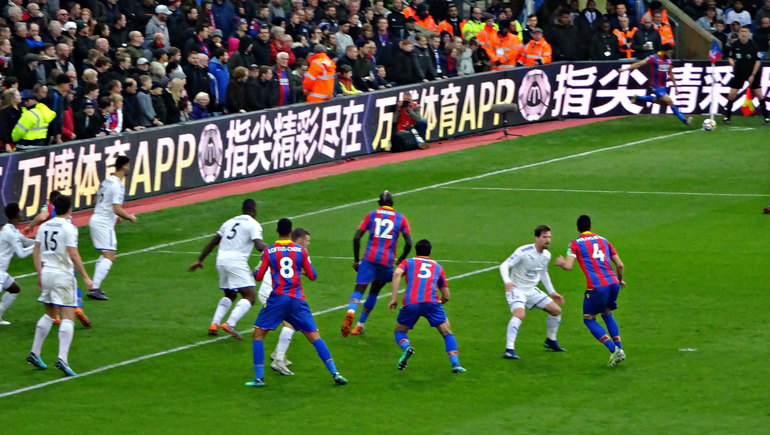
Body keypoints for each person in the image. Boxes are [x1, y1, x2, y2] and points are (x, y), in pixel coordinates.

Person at [248, 218, 347, 387]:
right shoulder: (301, 251)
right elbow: (313, 275)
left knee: (258, 335)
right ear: (291, 231)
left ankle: (259, 378)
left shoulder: (269, 251)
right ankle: (335, 373)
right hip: (297, 299)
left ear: (277, 231)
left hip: (277, 298)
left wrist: (258, 269)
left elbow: (258, 277)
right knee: (314, 336)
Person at [27, 194, 94, 377]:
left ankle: (35, 352)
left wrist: (40, 274)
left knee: (49, 314)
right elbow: (73, 255)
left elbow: (36, 250)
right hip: (63, 274)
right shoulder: (70, 228)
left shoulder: (44, 226)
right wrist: (86, 278)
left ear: (54, 208)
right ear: (70, 209)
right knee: (68, 316)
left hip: (47, 271)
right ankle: (62, 359)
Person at [189, 199, 266, 339]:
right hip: (236, 262)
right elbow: (259, 245)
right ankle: (230, 323)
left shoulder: (229, 222)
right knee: (250, 296)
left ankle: (214, 324)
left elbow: (213, 242)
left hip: (221, 261)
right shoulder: (253, 224)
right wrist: (274, 251)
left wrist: (199, 260)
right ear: (254, 210)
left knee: (230, 295)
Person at [555, 215, 626, 367]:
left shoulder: (574, 243)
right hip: (613, 282)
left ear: (577, 228)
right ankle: (620, 348)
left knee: (588, 319)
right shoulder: (604, 240)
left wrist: (561, 263)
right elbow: (620, 265)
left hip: (597, 286)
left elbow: (568, 266)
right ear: (591, 227)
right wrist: (619, 281)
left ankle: (613, 350)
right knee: (607, 312)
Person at [387, 239, 465, 373]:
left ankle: (406, 348)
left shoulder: (408, 262)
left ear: (416, 251)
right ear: (430, 252)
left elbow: (397, 273)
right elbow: (446, 295)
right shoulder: (438, 267)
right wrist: (437, 305)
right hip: (432, 303)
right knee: (447, 333)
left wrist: (394, 298)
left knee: (399, 331)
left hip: (411, 303)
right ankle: (456, 364)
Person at [342, 190, 412, 337]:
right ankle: (359, 326)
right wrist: (400, 260)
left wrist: (356, 260)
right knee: (375, 291)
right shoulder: (401, 218)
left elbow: (357, 238)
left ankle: (351, 311)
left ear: (379, 203)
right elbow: (409, 244)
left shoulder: (371, 215)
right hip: (386, 260)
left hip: (369, 257)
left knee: (359, 289)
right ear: (392, 203)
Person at [23, 190, 91, 328]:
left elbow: (42, 216)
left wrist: (30, 226)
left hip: (49, 255)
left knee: (51, 287)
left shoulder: (48, 208)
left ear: (51, 201)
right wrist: (87, 278)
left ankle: (56, 316)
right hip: (65, 255)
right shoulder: (68, 219)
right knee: (71, 282)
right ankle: (77, 307)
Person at [499, 225, 565, 360]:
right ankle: (509, 349)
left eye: (549, 237)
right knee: (520, 314)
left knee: (556, 311)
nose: (548, 240)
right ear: (536, 238)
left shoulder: (547, 255)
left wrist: (552, 292)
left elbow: (543, 273)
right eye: (544, 237)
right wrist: (507, 281)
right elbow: (504, 265)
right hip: (516, 289)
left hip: (531, 290)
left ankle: (551, 340)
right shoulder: (523, 251)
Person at [255, 227, 311, 376]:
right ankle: (278, 359)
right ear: (299, 239)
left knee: (289, 323)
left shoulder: (277, 250)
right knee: (290, 324)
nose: (308, 244)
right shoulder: (298, 252)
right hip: (274, 293)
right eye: (307, 240)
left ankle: (277, 355)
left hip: (276, 292)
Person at [87, 155, 137, 301]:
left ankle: (94, 287)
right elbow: (116, 208)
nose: (129, 168)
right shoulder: (117, 185)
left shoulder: (107, 180)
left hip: (99, 220)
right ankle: (94, 287)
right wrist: (129, 217)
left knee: (107, 255)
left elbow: (96, 199)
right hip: (103, 223)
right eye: (128, 165)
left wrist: (115, 217)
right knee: (110, 256)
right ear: (124, 166)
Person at [619, 43, 693, 126]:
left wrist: (676, 87)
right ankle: (685, 120)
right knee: (669, 101)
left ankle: (639, 98)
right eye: (669, 52)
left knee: (663, 103)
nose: (670, 54)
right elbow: (639, 64)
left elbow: (670, 73)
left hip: (664, 86)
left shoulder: (668, 60)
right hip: (656, 86)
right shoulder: (654, 57)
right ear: (664, 51)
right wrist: (625, 69)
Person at [723, 26, 769, 124]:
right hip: (739, 73)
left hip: (752, 73)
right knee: (731, 95)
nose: (744, 34)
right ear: (739, 33)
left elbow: (758, 61)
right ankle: (727, 117)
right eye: (742, 31)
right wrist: (732, 62)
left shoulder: (753, 45)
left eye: (746, 32)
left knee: (759, 94)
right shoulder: (735, 44)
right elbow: (730, 57)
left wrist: (753, 75)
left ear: (749, 33)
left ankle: (766, 117)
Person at [0, 202, 35, 325]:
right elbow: (21, 253)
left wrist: (41, 241)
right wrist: (38, 248)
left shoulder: (11, 229)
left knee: (14, 289)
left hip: (2, 273)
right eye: (19, 213)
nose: (21, 215)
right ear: (16, 216)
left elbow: (25, 241)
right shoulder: (9, 233)